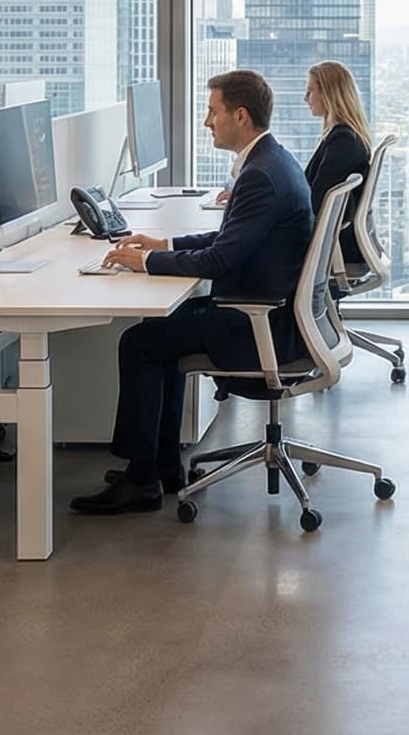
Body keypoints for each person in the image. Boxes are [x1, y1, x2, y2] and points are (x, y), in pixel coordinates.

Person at [70, 70, 315, 516]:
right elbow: (230, 241)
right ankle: (162, 466)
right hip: (268, 309)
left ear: (240, 116)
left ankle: (142, 477)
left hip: (258, 324)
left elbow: (221, 260)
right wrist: (164, 245)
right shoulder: (272, 162)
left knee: (141, 342)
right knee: (159, 329)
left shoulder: (260, 175)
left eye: (213, 111)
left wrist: (144, 263)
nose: (207, 122)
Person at [304, 60, 374, 267]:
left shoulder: (342, 141)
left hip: (333, 248)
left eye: (310, 91)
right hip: (333, 245)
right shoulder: (345, 136)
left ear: (328, 94)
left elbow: (317, 202)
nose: (305, 98)